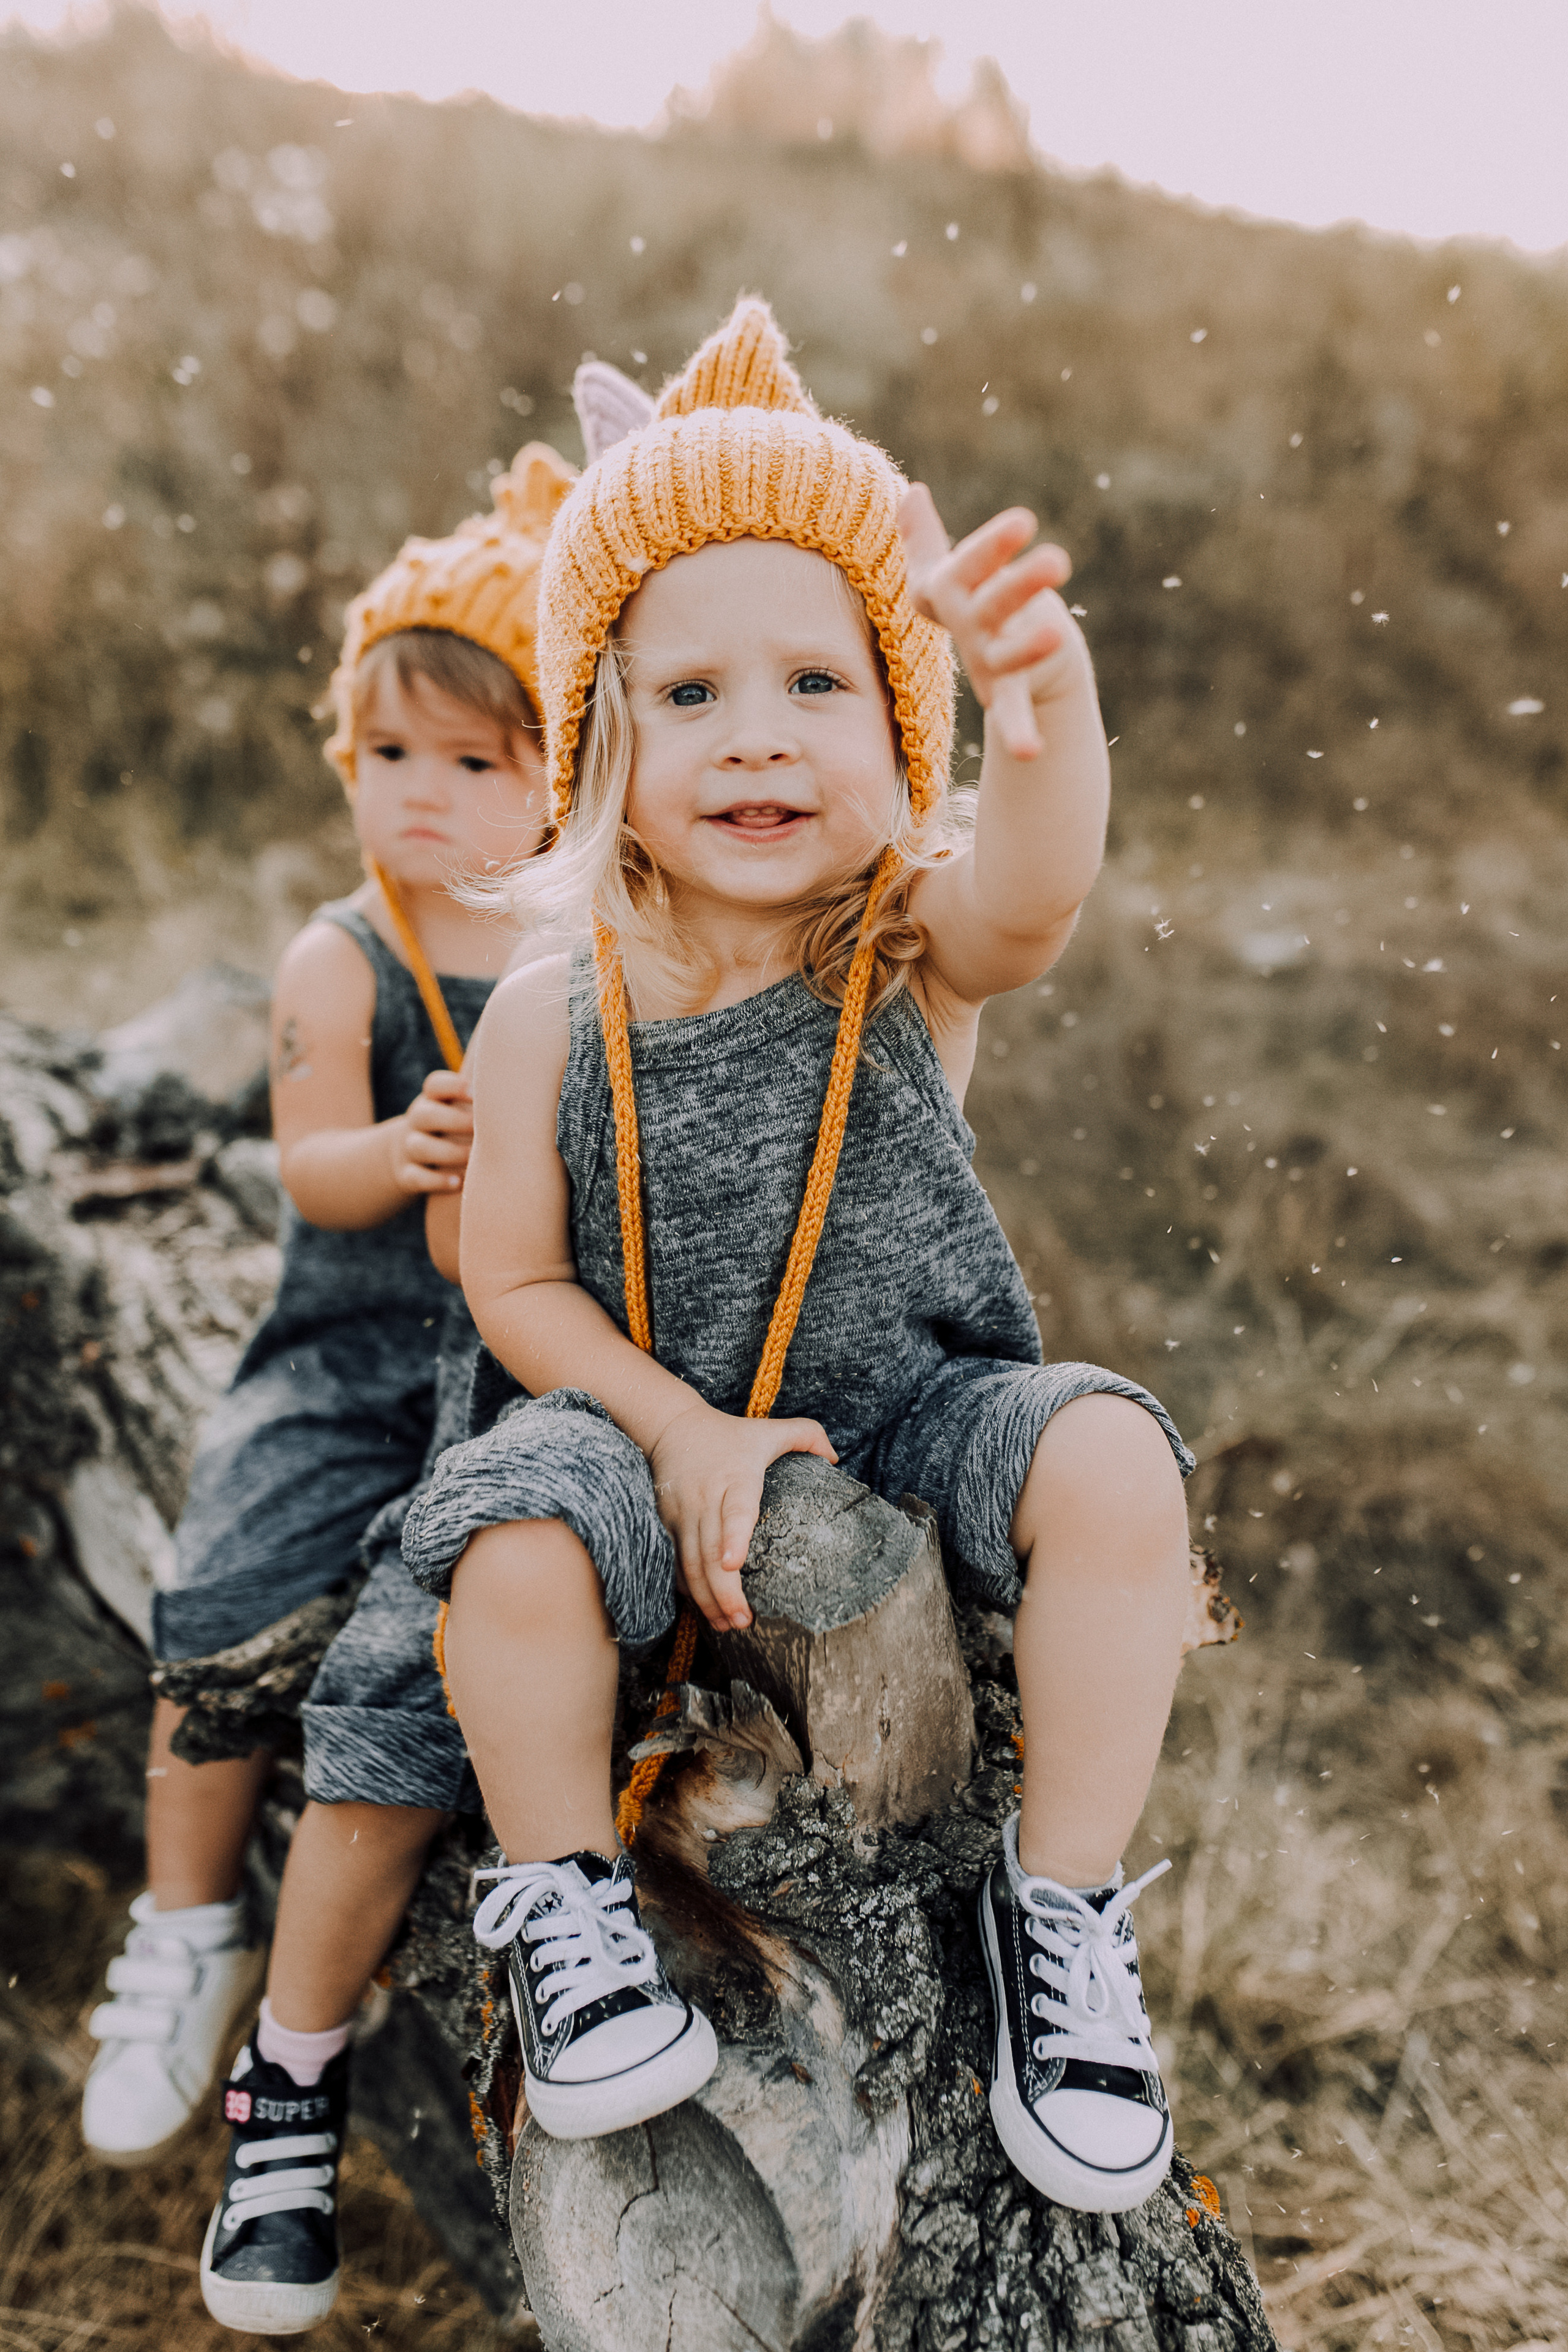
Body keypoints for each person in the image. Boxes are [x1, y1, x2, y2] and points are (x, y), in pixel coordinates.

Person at [399, 299, 1197, 2219]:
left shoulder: (901, 943)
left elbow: (1044, 885)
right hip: (627, 1420)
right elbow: (512, 1288)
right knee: (505, 1543)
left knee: (1118, 1462)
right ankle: (563, 1908)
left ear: (894, 719)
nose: (755, 734)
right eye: (688, 696)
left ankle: (1063, 1914)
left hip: (904, 1407)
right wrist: (672, 1429)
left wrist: (1043, 693)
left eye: (815, 686)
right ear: (602, 731)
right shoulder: (548, 1014)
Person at [82, 443, 575, 2248]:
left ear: (560, 780)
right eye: (388, 759)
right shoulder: (342, 961)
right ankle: (185, 1921)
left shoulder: (575, 947)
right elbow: (306, 1163)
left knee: (437, 1639)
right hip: (348, 1344)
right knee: (223, 1597)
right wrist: (400, 1149)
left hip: (511, 1368)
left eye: (472, 762)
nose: (420, 799)